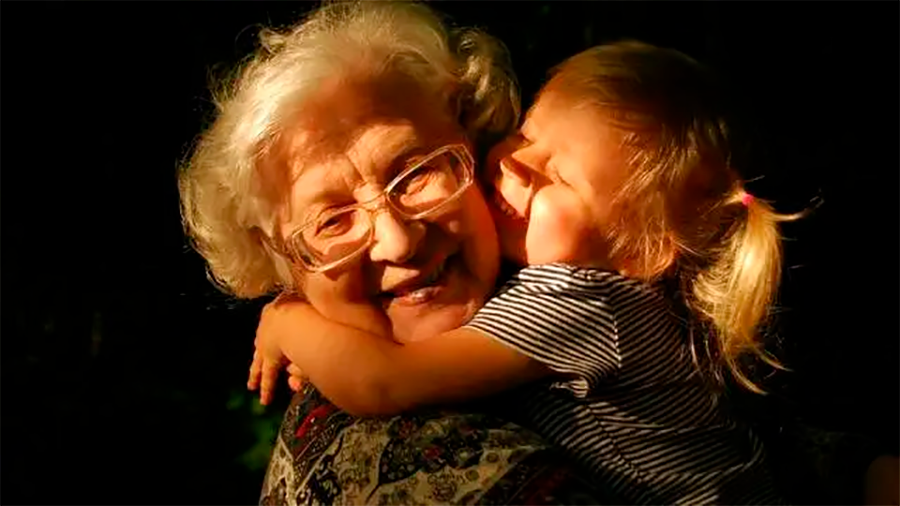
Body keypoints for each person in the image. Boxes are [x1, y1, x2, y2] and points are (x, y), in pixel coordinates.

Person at [249, 40, 800, 504]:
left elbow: (384, 380)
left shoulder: (580, 299)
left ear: (643, 250)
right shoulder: (571, 285)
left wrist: (287, 321)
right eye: (527, 138)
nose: (514, 164)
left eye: (558, 177)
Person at [178, 1, 607, 505]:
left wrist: (291, 323)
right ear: (284, 268)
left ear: (474, 145)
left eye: (417, 173)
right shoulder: (417, 459)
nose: (399, 241)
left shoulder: (580, 281)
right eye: (333, 220)